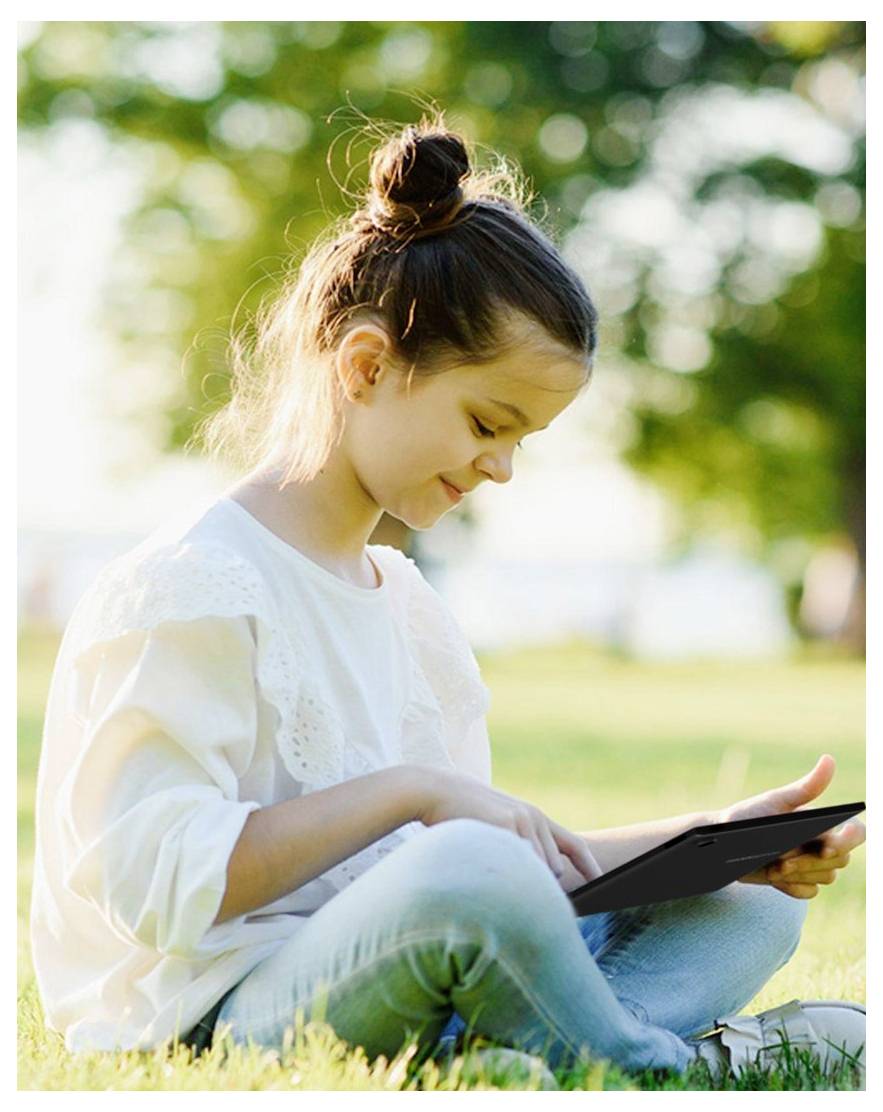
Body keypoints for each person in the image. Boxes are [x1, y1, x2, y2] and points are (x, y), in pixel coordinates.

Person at [29, 113, 866, 1087]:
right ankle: (663, 1064)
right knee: (468, 875)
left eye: (524, 439)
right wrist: (409, 793)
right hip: (220, 1008)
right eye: (485, 421)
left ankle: (519, 1054)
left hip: (426, 963)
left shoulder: (406, 605)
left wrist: (712, 842)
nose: (503, 468)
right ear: (366, 365)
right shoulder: (190, 586)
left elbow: (517, 868)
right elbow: (157, 887)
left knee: (749, 902)